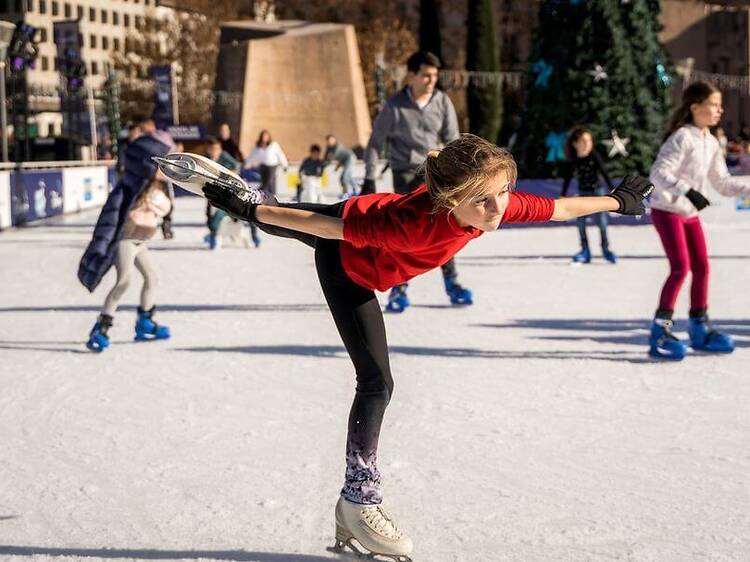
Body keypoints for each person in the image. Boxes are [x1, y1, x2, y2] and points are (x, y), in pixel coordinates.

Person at [168, 134, 653, 560]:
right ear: (450, 200)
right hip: (348, 265)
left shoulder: (487, 204)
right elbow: (320, 229)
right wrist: (251, 211)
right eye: (485, 199)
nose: (499, 207)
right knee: (376, 382)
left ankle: (247, 197)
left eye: (502, 192)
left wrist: (615, 201)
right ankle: (360, 500)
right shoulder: (412, 222)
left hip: (370, 251)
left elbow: (557, 208)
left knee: (300, 225)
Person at [362, 50, 471, 312]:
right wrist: (369, 177)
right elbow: (376, 143)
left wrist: (458, 173)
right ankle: (399, 288)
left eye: (434, 75)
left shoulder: (442, 102)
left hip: (435, 174)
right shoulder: (395, 106)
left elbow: (453, 139)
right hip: (405, 173)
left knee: (446, 228)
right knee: (405, 232)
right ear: (411, 76)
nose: (431, 80)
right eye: (425, 75)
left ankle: (452, 283)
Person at [648, 81, 750, 360]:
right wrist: (688, 191)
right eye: (714, 104)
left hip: (689, 214)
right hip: (667, 210)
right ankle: (660, 332)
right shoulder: (682, 137)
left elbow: (723, 183)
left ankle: (699, 328)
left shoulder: (711, 141)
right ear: (695, 107)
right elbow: (658, 173)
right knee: (681, 268)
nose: (720, 110)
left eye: (719, 105)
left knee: (702, 267)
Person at [79, 116, 173, 351]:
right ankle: (101, 326)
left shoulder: (157, 186)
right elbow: (113, 217)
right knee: (124, 280)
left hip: (141, 240)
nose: (164, 170)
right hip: (127, 239)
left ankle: (145, 321)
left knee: (152, 277)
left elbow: (165, 208)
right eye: (160, 166)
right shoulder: (133, 188)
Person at [561, 126, 617, 264]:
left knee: (602, 223)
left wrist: (612, 189)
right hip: (582, 194)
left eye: (589, 141)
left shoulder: (594, 156)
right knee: (580, 223)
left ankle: (606, 249)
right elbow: (567, 177)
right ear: (575, 144)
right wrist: (563, 194)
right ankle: (585, 250)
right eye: (583, 141)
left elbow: (604, 172)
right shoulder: (573, 159)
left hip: (597, 194)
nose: (587, 144)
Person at [205, 137, 260, 249]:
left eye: (217, 149)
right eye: (212, 149)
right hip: (212, 190)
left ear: (220, 149)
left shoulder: (224, 156)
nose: (215, 151)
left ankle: (253, 236)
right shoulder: (207, 159)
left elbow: (237, 166)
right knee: (210, 213)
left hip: (229, 191)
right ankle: (213, 234)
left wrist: (227, 174)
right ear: (208, 150)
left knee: (242, 212)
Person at [244, 129, 288, 196]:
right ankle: (264, 195)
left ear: (269, 137)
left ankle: (272, 195)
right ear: (261, 137)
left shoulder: (273, 145)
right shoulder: (258, 146)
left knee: (270, 181)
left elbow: (280, 154)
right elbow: (252, 156)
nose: (265, 138)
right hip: (262, 166)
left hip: (272, 165)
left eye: (266, 136)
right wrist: (246, 164)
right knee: (264, 181)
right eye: (264, 136)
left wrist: (285, 164)